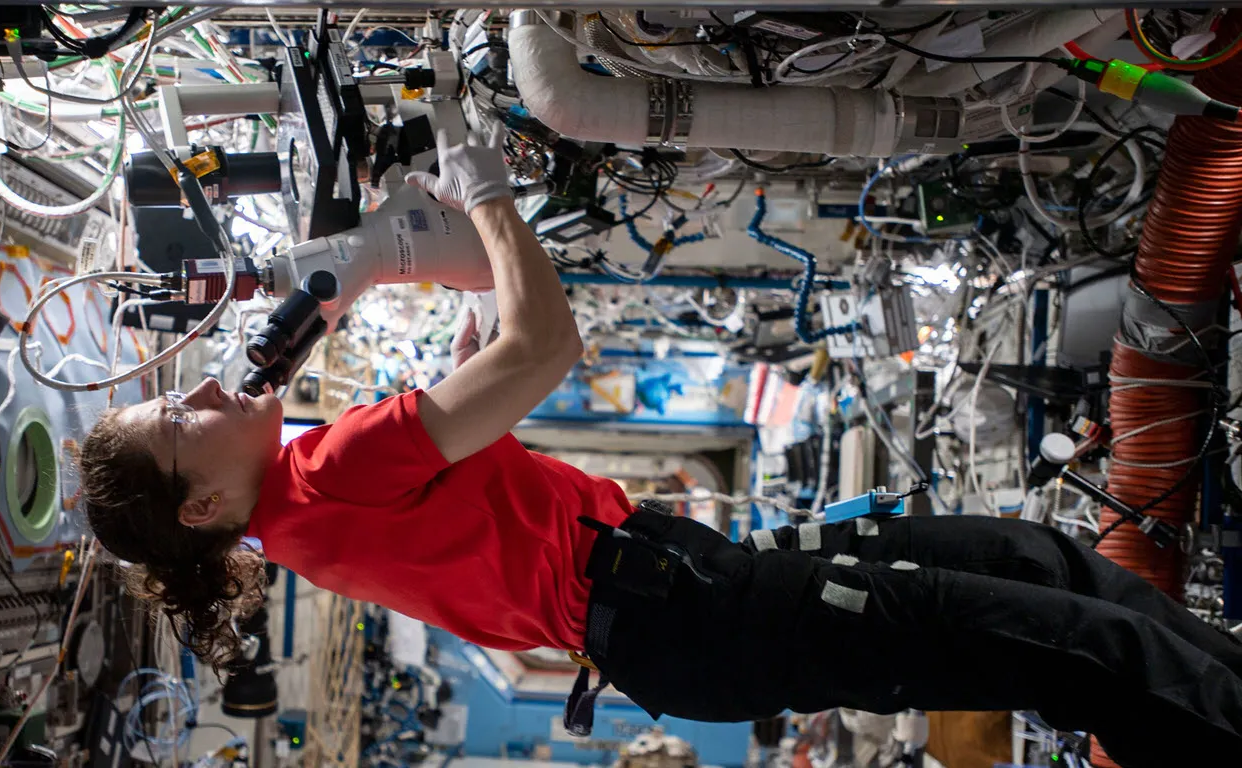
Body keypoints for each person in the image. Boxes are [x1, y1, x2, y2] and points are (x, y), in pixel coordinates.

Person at [79, 130, 1242, 768]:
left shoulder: (310, 497)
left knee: (1042, 569)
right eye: (175, 423)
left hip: (684, 596)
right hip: (687, 610)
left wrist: (403, 260)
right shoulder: (323, 472)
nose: (194, 391)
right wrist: (488, 196)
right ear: (197, 509)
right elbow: (544, 346)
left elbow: (490, 385)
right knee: (1067, 646)